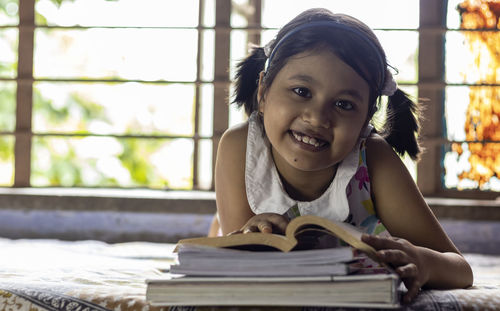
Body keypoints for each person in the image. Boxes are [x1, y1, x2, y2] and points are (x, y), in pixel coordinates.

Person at [212, 8, 473, 303]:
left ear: (366, 120)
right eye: (301, 91)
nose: (318, 117)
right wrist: (253, 234)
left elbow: (461, 269)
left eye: (344, 104)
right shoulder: (239, 146)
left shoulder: (373, 160)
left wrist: (424, 263)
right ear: (262, 90)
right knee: (219, 232)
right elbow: (236, 256)